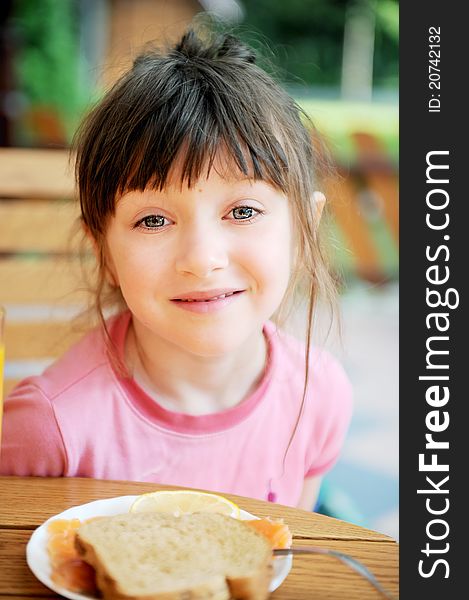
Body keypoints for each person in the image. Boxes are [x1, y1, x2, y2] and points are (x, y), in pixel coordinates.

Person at [0, 30, 352, 510]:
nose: (202, 258)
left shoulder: (319, 396)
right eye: (153, 220)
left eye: (243, 211)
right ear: (103, 252)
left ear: (304, 230)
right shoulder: (48, 429)